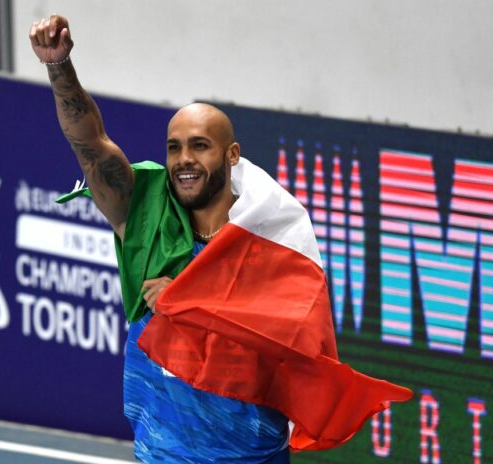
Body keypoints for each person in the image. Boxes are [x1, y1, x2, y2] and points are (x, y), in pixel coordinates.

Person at [30, 15, 412, 463]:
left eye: (200, 146)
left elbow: (284, 342)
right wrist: (59, 66)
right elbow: (91, 145)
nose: (184, 160)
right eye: (174, 147)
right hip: (161, 452)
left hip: (247, 455)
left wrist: (186, 303)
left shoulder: (269, 242)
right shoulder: (145, 217)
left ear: (232, 155)